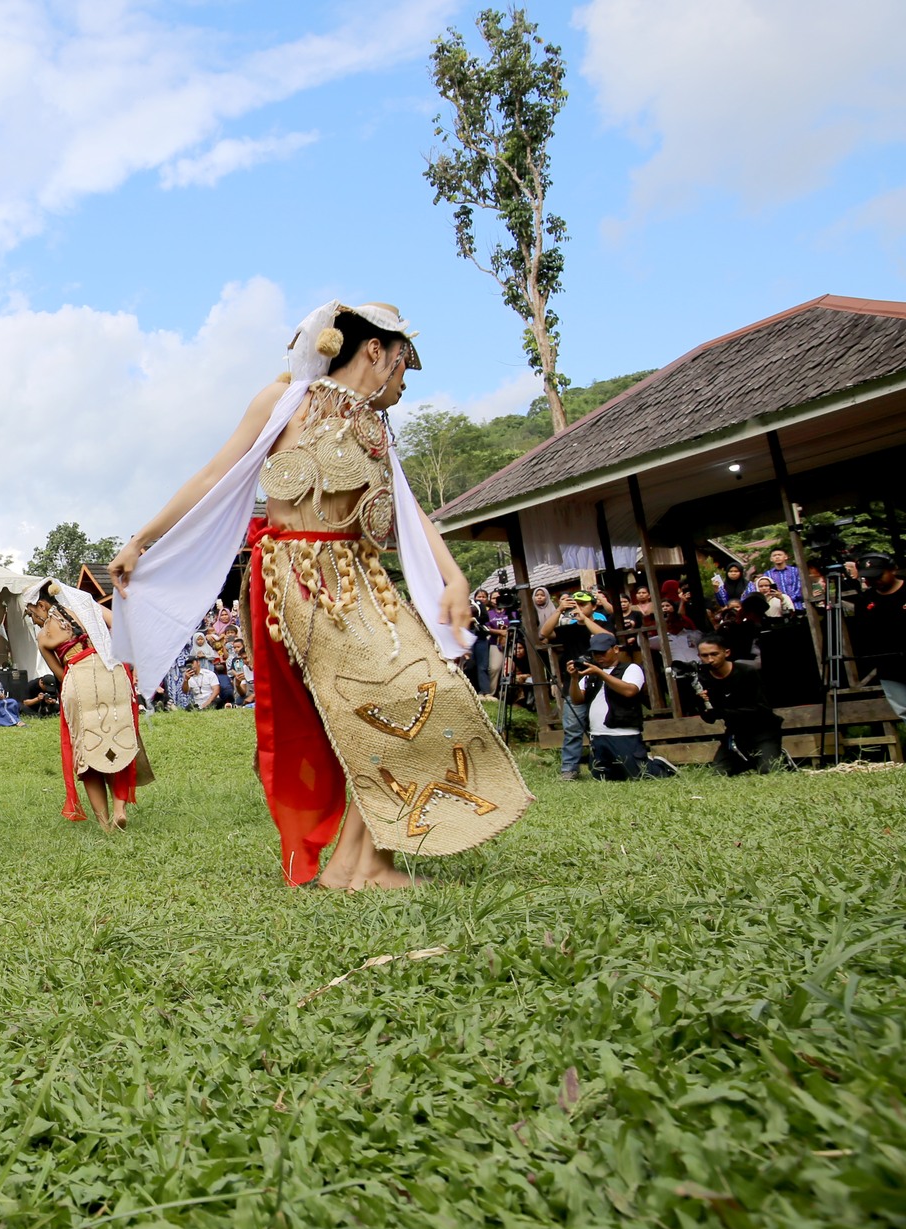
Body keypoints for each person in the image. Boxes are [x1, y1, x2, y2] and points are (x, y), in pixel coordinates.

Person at [110, 301, 526, 888]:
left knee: (404, 695)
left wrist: (455, 576)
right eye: (405, 362)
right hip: (299, 577)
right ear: (377, 350)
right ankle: (360, 865)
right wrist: (141, 540)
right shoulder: (285, 401)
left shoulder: (376, 426)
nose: (405, 380)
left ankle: (361, 864)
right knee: (383, 697)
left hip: (362, 579)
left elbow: (406, 510)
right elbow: (213, 475)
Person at [27, 580, 149, 830]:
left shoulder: (43, 637)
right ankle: (119, 810)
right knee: (119, 741)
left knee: (88, 752)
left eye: (32, 614)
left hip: (78, 683)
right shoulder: (85, 608)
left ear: (41, 605)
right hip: (111, 674)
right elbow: (121, 625)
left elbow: (61, 675)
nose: (35, 621)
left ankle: (104, 824)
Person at [541, 590, 610, 781]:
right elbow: (544, 633)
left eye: (583, 604)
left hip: (600, 681)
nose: (578, 608)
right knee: (572, 726)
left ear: (594, 606)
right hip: (574, 681)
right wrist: (559, 611)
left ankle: (604, 765)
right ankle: (569, 768)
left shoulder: (601, 623)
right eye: (575, 604)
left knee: (601, 724)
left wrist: (584, 619)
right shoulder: (569, 629)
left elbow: (607, 638)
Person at [693, 633, 783, 774]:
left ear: (726, 652)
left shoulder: (746, 672)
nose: (710, 659)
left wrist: (724, 712)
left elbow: (762, 708)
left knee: (768, 770)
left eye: (714, 654)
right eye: (704, 656)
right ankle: (748, 761)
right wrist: (701, 702)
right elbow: (709, 718)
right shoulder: (703, 679)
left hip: (763, 730)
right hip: (735, 734)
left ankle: (769, 756)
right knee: (719, 773)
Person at [569, 633, 648, 780]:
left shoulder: (631, 668)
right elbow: (577, 699)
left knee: (637, 775)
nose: (599, 657)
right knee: (602, 776)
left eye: (603, 652)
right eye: (595, 653)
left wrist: (599, 672)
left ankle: (659, 765)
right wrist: (574, 678)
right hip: (597, 735)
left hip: (624, 733)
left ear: (616, 649)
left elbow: (630, 691)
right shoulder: (589, 673)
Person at [849, 552, 906, 720]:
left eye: (878, 576)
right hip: (889, 668)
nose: (874, 581)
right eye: (868, 578)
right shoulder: (865, 601)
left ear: (893, 570)